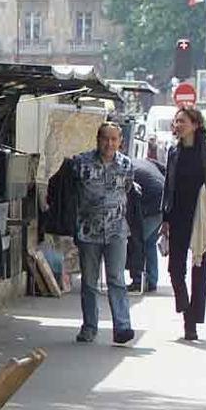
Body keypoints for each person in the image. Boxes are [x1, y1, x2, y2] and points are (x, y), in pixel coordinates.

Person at [160, 105, 206, 342]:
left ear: (196, 125)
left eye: (183, 121)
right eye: (176, 121)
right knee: (174, 268)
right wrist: (165, 218)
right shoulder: (173, 151)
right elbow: (168, 186)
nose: (178, 125)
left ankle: (191, 324)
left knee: (200, 269)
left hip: (202, 215)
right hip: (178, 215)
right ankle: (184, 303)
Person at [66, 122, 138, 345]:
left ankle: (122, 327)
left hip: (116, 231)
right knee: (89, 282)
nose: (109, 144)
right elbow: (71, 193)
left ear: (120, 142)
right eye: (105, 139)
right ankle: (89, 327)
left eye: (114, 139)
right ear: (97, 139)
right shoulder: (81, 163)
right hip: (89, 232)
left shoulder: (126, 165)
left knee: (116, 279)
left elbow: (127, 191)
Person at [126, 151, 165, 294]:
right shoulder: (141, 162)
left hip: (154, 203)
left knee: (141, 241)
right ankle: (151, 279)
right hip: (163, 200)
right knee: (149, 242)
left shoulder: (126, 170)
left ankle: (142, 280)